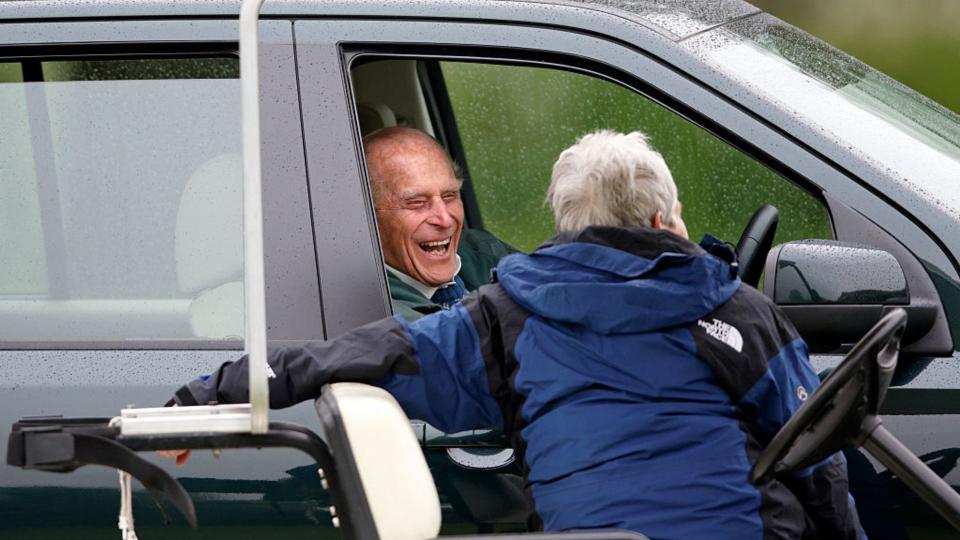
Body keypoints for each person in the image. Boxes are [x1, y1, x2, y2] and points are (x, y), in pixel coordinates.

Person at [168, 130, 863, 538]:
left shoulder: (501, 316)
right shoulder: (735, 308)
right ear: (663, 219)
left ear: (564, 219)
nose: (442, 217)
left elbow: (355, 355)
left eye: (450, 196)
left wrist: (209, 394)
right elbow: (816, 458)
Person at [363, 127, 513, 320]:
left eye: (449, 196)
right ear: (368, 217)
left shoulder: (486, 250)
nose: (445, 219)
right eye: (417, 202)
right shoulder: (375, 317)